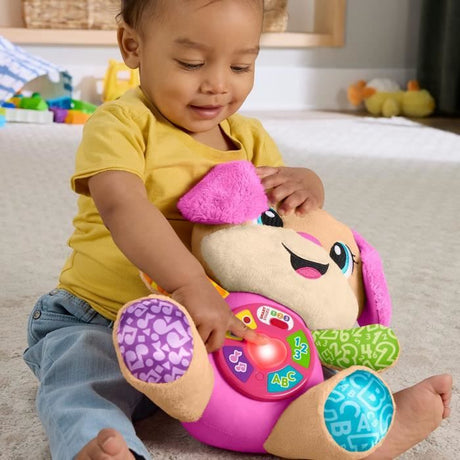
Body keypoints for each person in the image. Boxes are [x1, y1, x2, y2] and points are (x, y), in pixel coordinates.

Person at [23, 1, 451, 459]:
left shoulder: (249, 138)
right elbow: (122, 205)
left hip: (220, 323)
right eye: (191, 63)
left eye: (241, 66)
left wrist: (308, 183)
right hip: (101, 316)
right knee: (80, 380)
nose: (218, 84)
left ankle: (366, 428)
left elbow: (277, 229)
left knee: (297, 367)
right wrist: (190, 284)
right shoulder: (121, 124)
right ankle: (96, 445)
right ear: (132, 46)